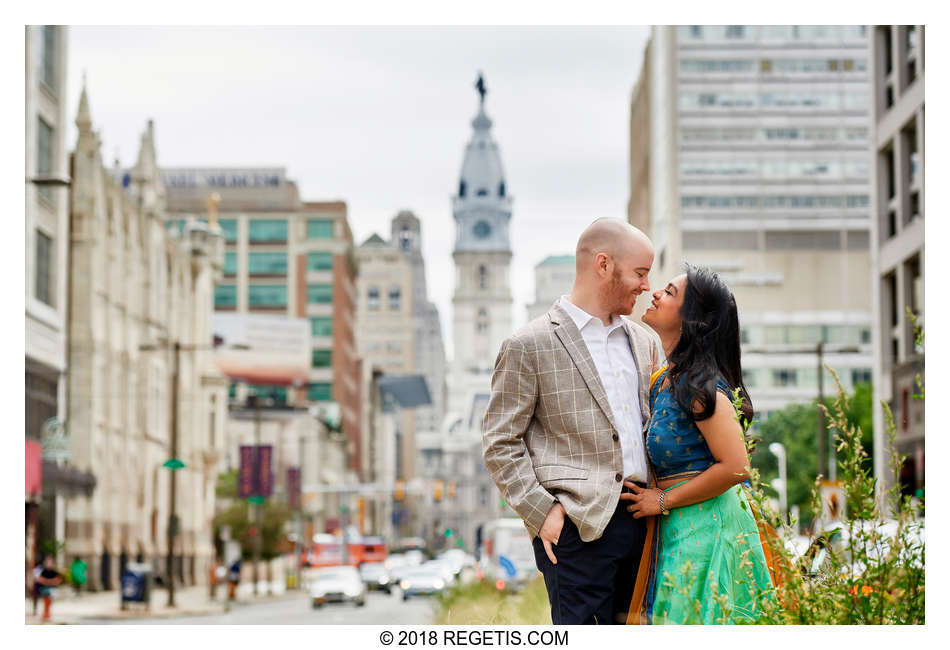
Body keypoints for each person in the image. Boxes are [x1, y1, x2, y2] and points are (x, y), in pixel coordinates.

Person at [483, 218, 663, 624]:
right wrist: (543, 511)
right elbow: (500, 443)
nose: (646, 286)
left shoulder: (645, 341)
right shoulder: (528, 345)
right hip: (577, 531)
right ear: (603, 264)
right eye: (639, 273)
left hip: (647, 525)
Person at [622, 264, 775, 624]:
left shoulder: (700, 385)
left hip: (711, 532)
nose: (655, 293)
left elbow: (736, 466)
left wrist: (662, 500)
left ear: (693, 320)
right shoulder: (665, 379)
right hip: (680, 528)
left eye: (670, 292)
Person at [35, 555, 63, 622]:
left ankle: (47, 614)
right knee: (46, 601)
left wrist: (49, 582)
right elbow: (39, 579)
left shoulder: (54, 572)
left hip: (52, 590)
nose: (49, 563)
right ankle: (46, 614)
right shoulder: (44, 571)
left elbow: (58, 580)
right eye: (47, 562)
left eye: (50, 562)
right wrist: (49, 582)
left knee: (49, 602)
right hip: (44, 589)